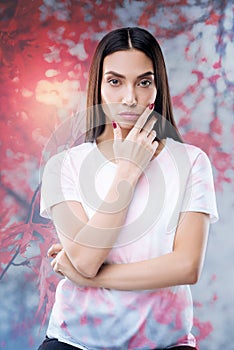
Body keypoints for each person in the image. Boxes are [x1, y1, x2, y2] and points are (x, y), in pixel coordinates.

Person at [38, 27, 218, 350]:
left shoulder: (192, 162)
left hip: (167, 344)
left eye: (144, 82)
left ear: (157, 88)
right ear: (99, 86)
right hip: (74, 342)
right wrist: (128, 170)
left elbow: (186, 266)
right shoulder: (62, 167)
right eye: (115, 81)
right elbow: (86, 258)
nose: (130, 98)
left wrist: (86, 278)